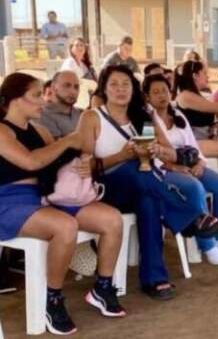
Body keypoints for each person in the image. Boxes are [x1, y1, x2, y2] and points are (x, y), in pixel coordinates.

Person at [77, 65, 218, 300]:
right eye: (114, 84)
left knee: (149, 201)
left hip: (144, 186)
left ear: (133, 89)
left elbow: (166, 153)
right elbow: (86, 167)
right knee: (136, 169)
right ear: (103, 87)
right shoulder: (92, 117)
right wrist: (121, 156)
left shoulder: (142, 117)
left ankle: (154, 279)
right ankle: (190, 217)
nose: (120, 89)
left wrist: (157, 150)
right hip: (108, 188)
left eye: (126, 84)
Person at [0, 72, 127, 333]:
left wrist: (81, 161)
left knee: (112, 219)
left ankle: (102, 288)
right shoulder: (2, 130)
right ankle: (52, 298)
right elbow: (31, 161)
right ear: (15, 99)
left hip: (45, 198)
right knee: (65, 226)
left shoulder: (41, 130)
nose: (42, 102)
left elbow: (68, 154)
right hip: (7, 202)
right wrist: (68, 141)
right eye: (36, 96)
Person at [144, 75, 218, 266]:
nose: (161, 96)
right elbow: (151, 152)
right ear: (148, 97)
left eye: (165, 91)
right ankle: (206, 244)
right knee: (195, 188)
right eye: (155, 92)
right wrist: (175, 167)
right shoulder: (147, 120)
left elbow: (192, 145)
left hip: (190, 165)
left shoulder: (178, 115)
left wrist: (200, 163)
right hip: (165, 170)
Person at [39, 71, 83, 139]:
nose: (73, 91)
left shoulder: (81, 113)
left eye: (76, 87)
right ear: (54, 88)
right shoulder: (42, 115)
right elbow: (57, 146)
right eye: (67, 85)